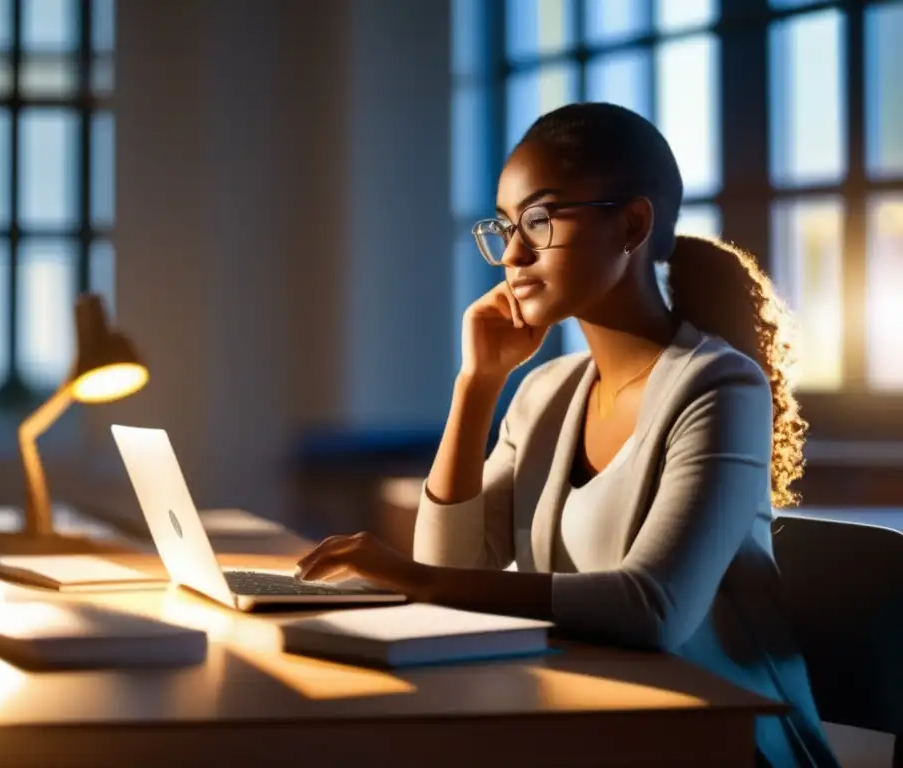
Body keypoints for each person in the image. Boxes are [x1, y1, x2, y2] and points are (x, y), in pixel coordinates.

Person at [295, 102, 839, 767]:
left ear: (633, 223)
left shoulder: (720, 386)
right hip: (591, 719)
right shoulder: (546, 390)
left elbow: (652, 609)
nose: (514, 254)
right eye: (504, 226)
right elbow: (456, 570)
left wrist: (408, 576)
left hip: (720, 740)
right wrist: (477, 386)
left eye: (540, 220)